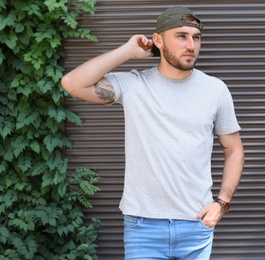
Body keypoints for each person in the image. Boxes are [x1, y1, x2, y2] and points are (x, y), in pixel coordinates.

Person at [61, 6, 245, 260]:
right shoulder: (134, 84)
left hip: (196, 225)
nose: (191, 44)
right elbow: (72, 83)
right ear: (158, 40)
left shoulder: (216, 90)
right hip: (143, 228)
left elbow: (234, 150)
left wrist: (222, 204)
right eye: (181, 36)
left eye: (196, 37)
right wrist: (127, 51)